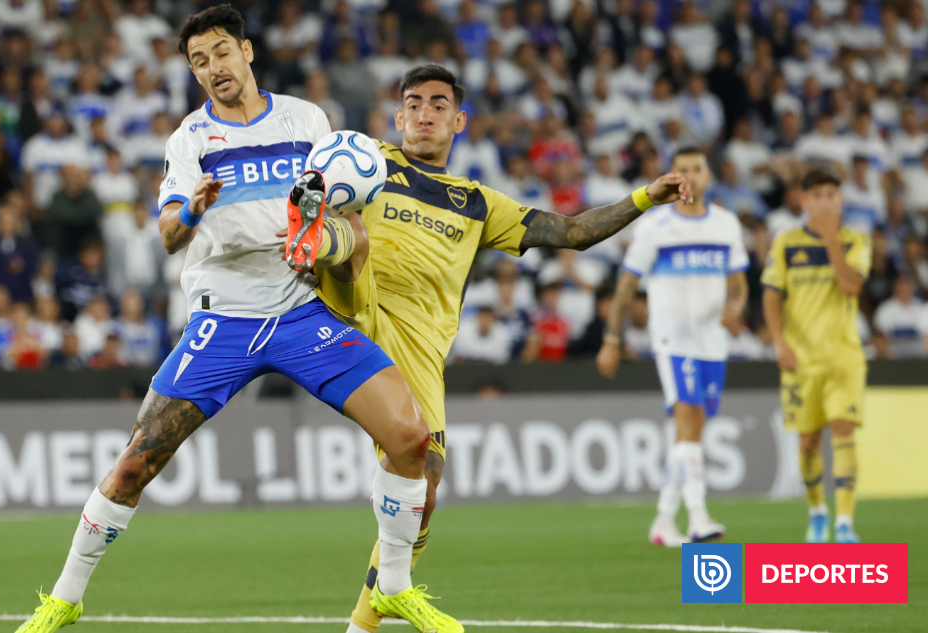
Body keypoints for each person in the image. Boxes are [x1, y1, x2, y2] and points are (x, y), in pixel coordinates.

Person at [16, 7, 446, 633]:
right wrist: (190, 211)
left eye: (220, 53)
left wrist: (339, 244)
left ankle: (394, 588)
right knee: (136, 461)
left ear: (246, 51)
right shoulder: (190, 139)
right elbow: (167, 236)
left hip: (302, 311)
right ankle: (65, 597)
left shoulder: (307, 119)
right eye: (198, 61)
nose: (212, 68)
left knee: (412, 440)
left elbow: (341, 209)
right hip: (226, 323)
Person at [293, 64, 691, 633]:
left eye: (437, 104)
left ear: (459, 121)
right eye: (414, 103)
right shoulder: (365, 163)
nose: (424, 113)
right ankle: (313, 255)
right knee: (349, 238)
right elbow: (310, 171)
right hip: (349, 317)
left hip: (419, 350)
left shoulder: (477, 204)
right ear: (398, 115)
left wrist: (644, 197)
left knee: (423, 490)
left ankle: (368, 618)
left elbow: (571, 232)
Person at [596, 147, 750, 547]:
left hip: (712, 341)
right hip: (672, 339)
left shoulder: (726, 224)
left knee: (693, 429)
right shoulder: (656, 226)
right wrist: (612, 339)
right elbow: (627, 285)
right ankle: (698, 518)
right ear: (671, 177)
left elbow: (738, 283)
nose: (691, 176)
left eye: (697, 169)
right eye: (682, 170)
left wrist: (734, 309)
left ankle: (664, 521)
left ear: (708, 175)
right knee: (687, 419)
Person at [762, 168, 870, 544]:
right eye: (818, 194)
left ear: (840, 199)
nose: (825, 200)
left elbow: (852, 286)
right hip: (801, 360)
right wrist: (780, 343)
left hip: (844, 357)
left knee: (843, 430)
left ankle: (845, 523)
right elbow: (771, 295)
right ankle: (817, 512)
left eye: (832, 194)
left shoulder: (856, 240)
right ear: (804, 201)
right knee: (808, 442)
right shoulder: (786, 242)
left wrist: (829, 240)